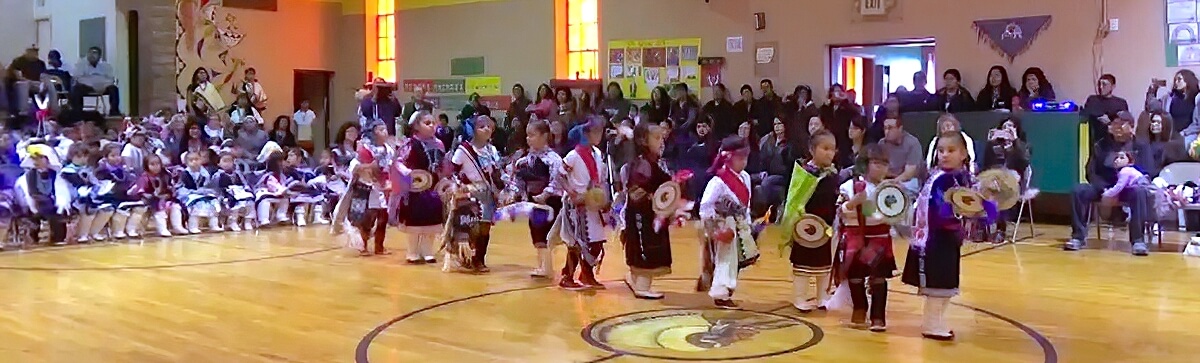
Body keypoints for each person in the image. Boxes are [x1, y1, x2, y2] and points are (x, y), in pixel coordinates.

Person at [903, 131, 996, 341]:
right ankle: (931, 324)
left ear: (963, 153)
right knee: (938, 286)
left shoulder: (961, 177)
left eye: (951, 150)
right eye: (941, 150)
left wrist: (986, 202)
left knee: (947, 285)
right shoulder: (941, 179)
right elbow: (940, 210)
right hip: (934, 240)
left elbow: (976, 204)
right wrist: (959, 213)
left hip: (949, 239)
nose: (944, 155)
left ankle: (938, 322)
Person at [1065, 113, 1154, 256]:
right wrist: (1106, 190)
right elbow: (1091, 171)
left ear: (1131, 127)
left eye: (1121, 124)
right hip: (1104, 187)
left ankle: (1138, 240)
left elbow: (1149, 171)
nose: (1117, 127)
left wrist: (1130, 165)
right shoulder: (1101, 144)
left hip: (1129, 187)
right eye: (1114, 124)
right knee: (1078, 190)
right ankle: (1078, 237)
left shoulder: (1141, 145)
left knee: (1139, 192)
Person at [835, 144, 896, 331]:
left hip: (880, 237)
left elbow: (896, 213)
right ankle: (859, 310)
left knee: (879, 278)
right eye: (876, 163)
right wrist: (853, 203)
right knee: (855, 276)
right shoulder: (850, 186)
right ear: (865, 164)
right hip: (855, 237)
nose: (880, 168)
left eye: (884, 164)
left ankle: (878, 317)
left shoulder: (890, 189)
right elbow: (840, 212)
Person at [698, 135, 761, 308]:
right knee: (725, 259)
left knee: (738, 260)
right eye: (740, 158)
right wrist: (714, 229)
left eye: (746, 158)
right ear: (728, 158)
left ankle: (725, 288)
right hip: (724, 225)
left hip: (739, 225)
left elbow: (746, 205)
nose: (744, 162)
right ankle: (721, 293)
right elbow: (705, 206)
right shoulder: (718, 181)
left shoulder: (746, 177)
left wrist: (747, 223)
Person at [781, 131, 840, 312]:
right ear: (812, 150)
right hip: (805, 226)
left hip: (826, 226)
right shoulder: (804, 173)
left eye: (832, 149)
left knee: (824, 264)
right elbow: (794, 199)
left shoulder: (832, 174)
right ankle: (800, 298)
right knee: (803, 265)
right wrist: (799, 219)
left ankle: (823, 296)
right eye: (825, 148)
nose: (829, 153)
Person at [550, 118, 611, 290]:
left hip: (593, 204)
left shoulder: (598, 154)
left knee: (597, 241)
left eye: (600, 131)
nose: (599, 135)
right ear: (586, 134)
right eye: (595, 132)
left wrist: (603, 198)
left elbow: (602, 179)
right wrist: (571, 192)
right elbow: (560, 175)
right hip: (576, 206)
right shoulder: (573, 155)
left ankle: (587, 274)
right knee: (577, 242)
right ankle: (567, 276)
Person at [621, 121, 674, 299]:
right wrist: (656, 199)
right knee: (646, 247)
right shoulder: (644, 164)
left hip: (645, 214)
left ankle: (635, 278)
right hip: (642, 216)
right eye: (657, 137)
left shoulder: (650, 162)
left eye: (662, 137)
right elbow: (636, 193)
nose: (662, 141)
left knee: (641, 246)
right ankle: (642, 286)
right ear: (644, 141)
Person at [444, 115, 503, 272]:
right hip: (469, 193)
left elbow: (498, 172)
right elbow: (452, 171)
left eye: (490, 126)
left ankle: (479, 259)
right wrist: (459, 186)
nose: (487, 129)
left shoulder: (492, 150)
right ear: (473, 129)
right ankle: (465, 257)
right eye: (482, 126)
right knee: (470, 226)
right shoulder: (464, 150)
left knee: (485, 227)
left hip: (487, 192)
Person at [507, 119, 564, 277]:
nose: (528, 139)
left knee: (547, 234)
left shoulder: (553, 159)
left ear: (544, 136)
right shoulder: (524, 160)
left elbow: (557, 180)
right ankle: (542, 266)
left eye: (532, 135)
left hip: (550, 202)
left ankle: (547, 267)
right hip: (533, 201)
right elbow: (518, 180)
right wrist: (514, 194)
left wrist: (545, 194)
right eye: (527, 136)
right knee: (536, 233)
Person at [392, 111, 448, 265]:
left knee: (431, 219)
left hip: (433, 187)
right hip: (415, 187)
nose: (432, 126)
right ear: (416, 126)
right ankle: (412, 251)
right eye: (427, 123)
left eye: (433, 123)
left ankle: (428, 250)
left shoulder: (439, 144)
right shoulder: (410, 144)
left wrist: (445, 178)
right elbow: (398, 161)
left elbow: (443, 164)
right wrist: (408, 173)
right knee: (414, 221)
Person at [981, 116, 1031, 242]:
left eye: (1010, 127)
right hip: (994, 178)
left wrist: (1014, 141)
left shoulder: (1023, 145)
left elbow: (1024, 163)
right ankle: (983, 227)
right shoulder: (995, 145)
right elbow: (986, 165)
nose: (1006, 130)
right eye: (1004, 127)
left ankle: (1000, 229)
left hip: (1013, 182)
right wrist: (990, 144)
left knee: (1003, 188)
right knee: (984, 185)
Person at [15, 143, 71, 245]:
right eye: (34, 159)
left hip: (52, 203)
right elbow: (26, 194)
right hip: (34, 203)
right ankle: (33, 237)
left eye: (40, 158)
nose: (37, 161)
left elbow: (61, 192)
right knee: (32, 215)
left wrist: (60, 204)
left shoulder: (55, 175)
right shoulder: (27, 176)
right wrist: (33, 205)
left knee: (58, 213)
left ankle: (58, 238)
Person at [133, 154, 188, 237]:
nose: (156, 166)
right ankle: (162, 229)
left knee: (176, 206)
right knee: (160, 209)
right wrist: (154, 197)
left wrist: (168, 195)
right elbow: (142, 192)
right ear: (146, 165)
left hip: (165, 199)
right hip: (151, 201)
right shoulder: (144, 177)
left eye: (158, 164)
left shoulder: (165, 175)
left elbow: (170, 189)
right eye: (152, 164)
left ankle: (177, 227)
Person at [1147, 70, 1200, 144]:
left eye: (1179, 79)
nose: (1176, 82)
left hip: (1190, 137)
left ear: (1188, 80)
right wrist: (1152, 90)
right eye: (1175, 80)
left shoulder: (1197, 98)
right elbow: (1152, 107)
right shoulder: (1169, 98)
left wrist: (1184, 133)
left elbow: (1197, 124)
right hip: (1171, 137)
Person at [177, 151, 222, 233]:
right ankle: (193, 226)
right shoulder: (184, 173)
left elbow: (207, 186)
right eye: (191, 160)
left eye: (196, 159)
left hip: (202, 194)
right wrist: (194, 192)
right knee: (196, 204)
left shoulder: (205, 173)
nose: (194, 162)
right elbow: (181, 188)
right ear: (186, 163)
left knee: (213, 201)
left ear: (201, 160)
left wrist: (206, 191)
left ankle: (214, 224)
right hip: (188, 194)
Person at [69, 47, 121, 116]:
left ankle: (114, 112)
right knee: (77, 89)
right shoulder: (81, 64)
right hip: (87, 86)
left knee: (114, 89)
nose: (91, 55)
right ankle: (77, 112)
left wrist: (102, 85)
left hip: (103, 86)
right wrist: (92, 84)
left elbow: (111, 79)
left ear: (99, 56)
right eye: (90, 53)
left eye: (94, 53)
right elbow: (78, 78)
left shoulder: (106, 66)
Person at [879, 117, 924, 193]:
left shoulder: (912, 143)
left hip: (908, 181)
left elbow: (909, 173)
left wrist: (891, 183)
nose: (887, 132)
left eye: (890, 128)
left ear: (900, 128)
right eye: (885, 128)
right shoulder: (881, 143)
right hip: (888, 179)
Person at [213, 152, 256, 231]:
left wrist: (247, 190)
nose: (228, 163)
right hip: (225, 194)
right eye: (225, 161)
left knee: (250, 201)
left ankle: (247, 221)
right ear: (218, 163)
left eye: (230, 161)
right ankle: (232, 222)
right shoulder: (218, 175)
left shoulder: (237, 174)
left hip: (239, 192)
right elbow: (216, 188)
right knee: (233, 203)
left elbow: (244, 183)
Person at [1082, 74, 1129, 143]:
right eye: (1099, 84)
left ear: (1112, 86)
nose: (1100, 87)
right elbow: (1085, 113)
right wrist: (1101, 115)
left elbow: (1124, 123)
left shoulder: (1120, 103)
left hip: (1113, 140)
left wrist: (1110, 123)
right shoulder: (1092, 99)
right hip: (1095, 138)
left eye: (1104, 84)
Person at [822, 84, 858, 169]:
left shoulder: (848, 108)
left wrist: (846, 101)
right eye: (835, 91)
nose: (837, 94)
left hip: (844, 142)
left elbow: (854, 116)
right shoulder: (826, 109)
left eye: (839, 91)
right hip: (829, 140)